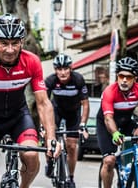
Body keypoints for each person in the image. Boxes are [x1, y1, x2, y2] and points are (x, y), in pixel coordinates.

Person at [0, 14, 62, 188]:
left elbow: (43, 102)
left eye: (15, 43)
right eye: (4, 43)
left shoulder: (31, 61)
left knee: (31, 156)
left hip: (18, 116)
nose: (10, 49)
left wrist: (51, 137)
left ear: (22, 42)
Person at [98, 57, 138, 188]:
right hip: (107, 124)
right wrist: (114, 133)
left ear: (135, 78)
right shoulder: (110, 92)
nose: (124, 80)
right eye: (121, 76)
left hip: (125, 122)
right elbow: (108, 118)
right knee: (109, 161)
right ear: (117, 76)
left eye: (129, 77)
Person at [43, 53, 90, 185]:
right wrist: (44, 125)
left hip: (73, 113)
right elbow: (43, 104)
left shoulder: (78, 80)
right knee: (49, 137)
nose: (63, 72)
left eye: (65, 69)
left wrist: (83, 124)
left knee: (72, 146)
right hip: (56, 111)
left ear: (70, 69)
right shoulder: (50, 81)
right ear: (55, 70)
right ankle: (49, 162)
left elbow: (85, 104)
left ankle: (70, 177)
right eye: (59, 69)